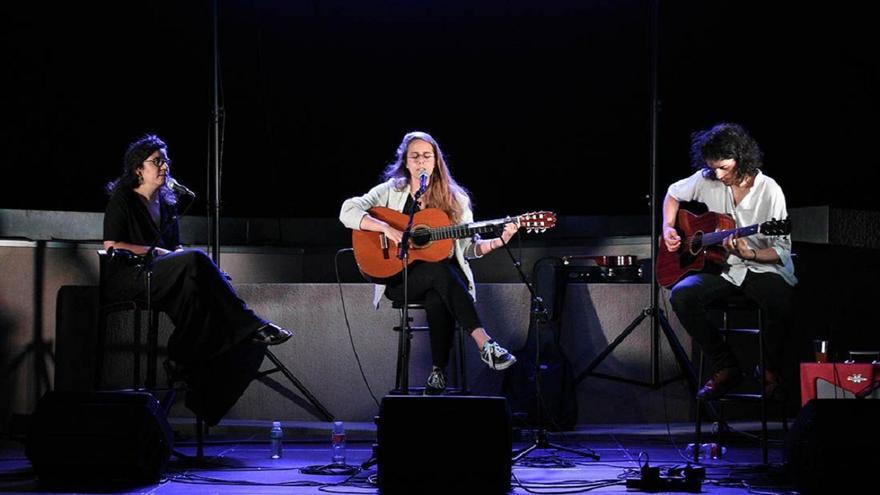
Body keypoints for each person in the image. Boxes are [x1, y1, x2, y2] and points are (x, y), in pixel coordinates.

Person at [102, 134, 292, 423]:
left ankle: (195, 381)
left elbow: (176, 249)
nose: (164, 167)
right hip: (132, 276)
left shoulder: (166, 205)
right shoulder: (123, 199)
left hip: (162, 274)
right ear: (138, 169)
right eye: (157, 161)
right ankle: (246, 325)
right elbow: (113, 245)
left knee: (206, 283)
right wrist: (169, 254)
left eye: (166, 161)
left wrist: (205, 269)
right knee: (196, 260)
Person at [339, 131, 518, 394]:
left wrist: (499, 242)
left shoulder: (456, 200)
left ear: (436, 161)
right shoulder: (391, 190)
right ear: (406, 162)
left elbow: (468, 249)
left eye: (426, 156)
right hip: (400, 279)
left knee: (438, 286)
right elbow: (348, 210)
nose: (421, 162)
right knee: (440, 272)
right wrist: (386, 229)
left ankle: (438, 372)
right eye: (415, 156)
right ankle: (484, 344)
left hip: (443, 280)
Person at [662, 123, 797, 401]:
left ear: (741, 158)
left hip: (761, 267)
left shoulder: (769, 190)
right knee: (682, 295)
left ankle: (769, 369)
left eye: (724, 167)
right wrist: (668, 228)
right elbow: (673, 194)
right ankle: (726, 366)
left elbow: (782, 251)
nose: (719, 175)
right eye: (714, 168)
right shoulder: (707, 178)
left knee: (780, 299)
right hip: (721, 268)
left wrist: (751, 254)